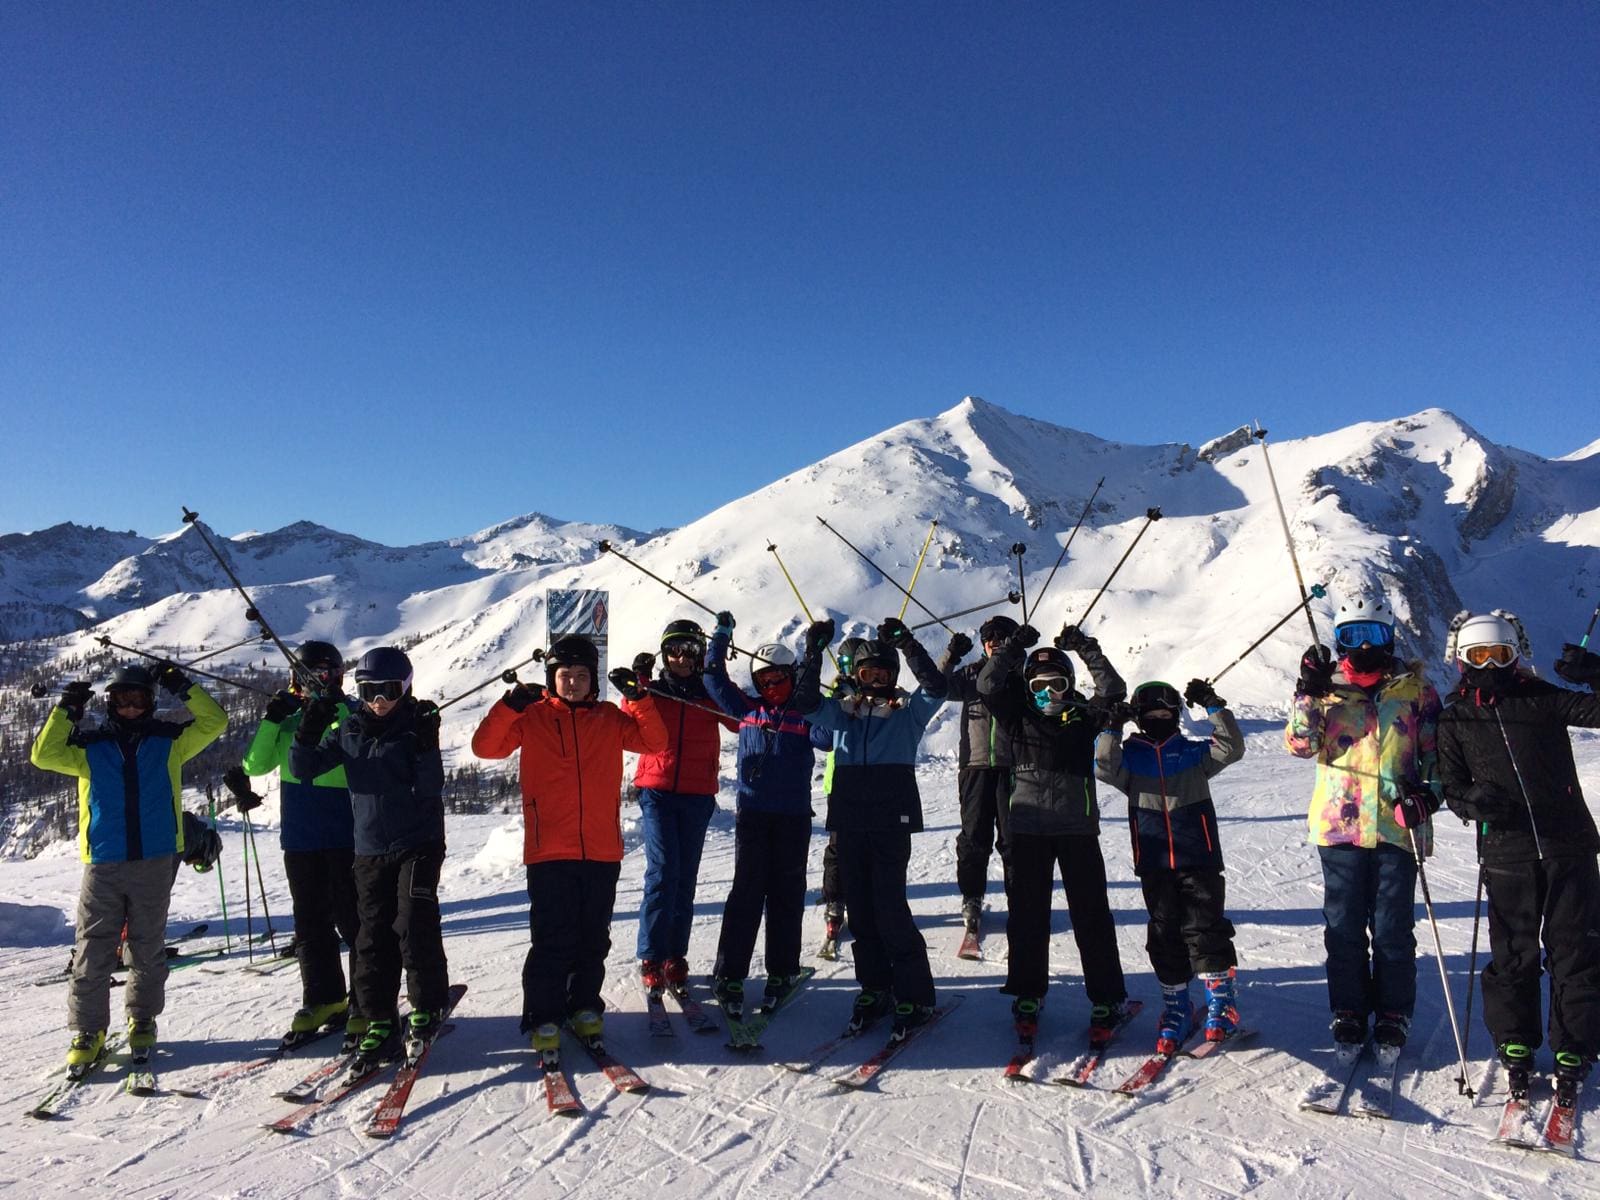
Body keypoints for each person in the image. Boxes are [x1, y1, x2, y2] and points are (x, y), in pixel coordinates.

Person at [471, 636, 666, 1062]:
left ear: (593, 678)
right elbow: (485, 747)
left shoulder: (609, 717)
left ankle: (583, 1007)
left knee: (593, 937)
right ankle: (543, 1014)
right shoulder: (533, 716)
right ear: (551, 678)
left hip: (601, 848)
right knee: (552, 938)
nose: (573, 683)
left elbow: (654, 742)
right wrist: (509, 705)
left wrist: (639, 699)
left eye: (581, 675)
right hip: (549, 850)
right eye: (564, 675)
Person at [31, 661, 226, 1070]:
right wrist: (67, 709)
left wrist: (181, 685)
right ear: (111, 703)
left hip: (154, 859)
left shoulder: (170, 742)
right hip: (104, 860)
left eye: (138, 699)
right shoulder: (90, 747)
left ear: (150, 701)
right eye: (123, 699)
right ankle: (89, 1030)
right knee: (93, 948)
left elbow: (215, 721)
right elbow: (43, 755)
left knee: (147, 947)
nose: (131, 707)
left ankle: (143, 1018)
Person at [1436, 612, 1600, 1097]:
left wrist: (1595, 675)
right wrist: (1472, 802)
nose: (1490, 665)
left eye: (1499, 655)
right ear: (1462, 661)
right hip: (1507, 851)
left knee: (1576, 949)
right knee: (1513, 954)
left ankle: (1575, 1045)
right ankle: (1515, 1041)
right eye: (1479, 656)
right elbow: (1452, 785)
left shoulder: (1542, 698)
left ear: (1514, 656)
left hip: (1568, 844)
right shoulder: (1455, 718)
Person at [1285, 590, 1441, 1052]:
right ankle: (1349, 1010)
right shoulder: (1326, 690)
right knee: (1344, 926)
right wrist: (1308, 691)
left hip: (1397, 825)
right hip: (1340, 827)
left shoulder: (1415, 691)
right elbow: (1299, 745)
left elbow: (1438, 755)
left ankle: (1394, 1011)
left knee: (1392, 927)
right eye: (1353, 636)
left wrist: (1428, 797)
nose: (1365, 646)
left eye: (1373, 634)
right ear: (1339, 641)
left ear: (1389, 636)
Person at [291, 646, 449, 1074]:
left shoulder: (414, 726)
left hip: (418, 841)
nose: (379, 701)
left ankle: (427, 1005)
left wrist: (426, 743)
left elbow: (430, 786)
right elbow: (303, 768)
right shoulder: (350, 730)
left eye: (389, 691)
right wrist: (310, 725)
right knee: (371, 936)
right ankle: (379, 1017)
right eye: (369, 692)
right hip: (370, 848)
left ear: (406, 688)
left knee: (413, 921)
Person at [794, 616, 949, 1038]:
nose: (876, 681)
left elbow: (936, 687)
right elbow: (804, 702)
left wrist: (908, 643)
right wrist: (813, 652)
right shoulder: (844, 714)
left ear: (893, 676)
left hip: (890, 822)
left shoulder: (908, 713)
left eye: (883, 673)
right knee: (860, 910)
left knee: (890, 908)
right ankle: (875, 986)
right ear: (856, 676)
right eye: (868, 674)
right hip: (850, 820)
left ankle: (915, 994)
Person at [977, 623, 1129, 1038]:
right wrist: (1012, 648)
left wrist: (1085, 648)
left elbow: (1113, 690)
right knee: (1027, 917)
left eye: (1057, 684)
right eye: (1040, 685)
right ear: (1028, 688)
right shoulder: (1017, 717)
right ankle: (1028, 992)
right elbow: (987, 684)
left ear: (1070, 685)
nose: (1049, 693)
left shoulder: (1083, 717)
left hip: (1077, 829)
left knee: (1091, 915)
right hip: (1028, 830)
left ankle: (1106, 997)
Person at [1097, 678, 1246, 1051]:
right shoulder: (1130, 758)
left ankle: (1221, 1004)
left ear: (1177, 715)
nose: (1159, 720)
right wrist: (1112, 728)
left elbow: (1231, 748)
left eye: (1166, 714)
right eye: (1151, 715)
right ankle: (1177, 1006)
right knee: (1164, 934)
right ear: (1139, 718)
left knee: (1205, 928)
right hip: (1154, 860)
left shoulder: (1193, 753)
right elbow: (1102, 767)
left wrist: (1213, 706)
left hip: (1198, 856)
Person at [240, 641, 364, 1049]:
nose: (314, 683)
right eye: (305, 676)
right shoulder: (291, 720)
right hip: (300, 836)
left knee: (354, 921)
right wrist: (273, 719)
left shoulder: (350, 712)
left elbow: (359, 744)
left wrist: (333, 707)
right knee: (310, 924)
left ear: (337, 677)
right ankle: (324, 998)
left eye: (322, 675)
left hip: (345, 834)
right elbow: (255, 764)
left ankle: (365, 999)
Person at [701, 612, 819, 1016]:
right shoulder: (747, 710)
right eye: (764, 682)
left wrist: (813, 669)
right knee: (746, 895)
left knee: (787, 895)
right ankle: (729, 974)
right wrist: (721, 637)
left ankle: (782, 971)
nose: (771, 688)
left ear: (792, 677)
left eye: (779, 680)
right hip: (753, 815)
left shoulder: (805, 715)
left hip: (793, 818)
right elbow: (713, 680)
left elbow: (827, 737)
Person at [627, 619, 737, 994]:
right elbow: (631, 722)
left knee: (685, 877)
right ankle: (651, 955)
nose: (681, 658)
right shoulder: (654, 691)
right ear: (664, 655)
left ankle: (675, 954)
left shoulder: (709, 692)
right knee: (663, 872)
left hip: (697, 793)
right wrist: (637, 686)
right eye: (673, 651)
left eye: (689, 650)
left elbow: (738, 721)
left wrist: (716, 674)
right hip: (657, 791)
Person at [944, 614, 1013, 931]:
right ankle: (972, 896)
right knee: (973, 837)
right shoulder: (971, 672)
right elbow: (938, 687)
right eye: (988, 637)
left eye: (1000, 636)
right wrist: (951, 655)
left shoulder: (1020, 673)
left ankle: (1021, 896)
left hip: (1014, 766)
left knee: (1014, 839)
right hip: (975, 765)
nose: (993, 641)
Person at [814, 635, 870, 951]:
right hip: (841, 782)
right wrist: (838, 703)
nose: (849, 669)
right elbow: (821, 738)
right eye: (844, 662)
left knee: (872, 847)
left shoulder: (879, 690)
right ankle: (835, 903)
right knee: (838, 848)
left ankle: (870, 901)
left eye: (854, 663)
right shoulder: (836, 693)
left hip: (874, 779)